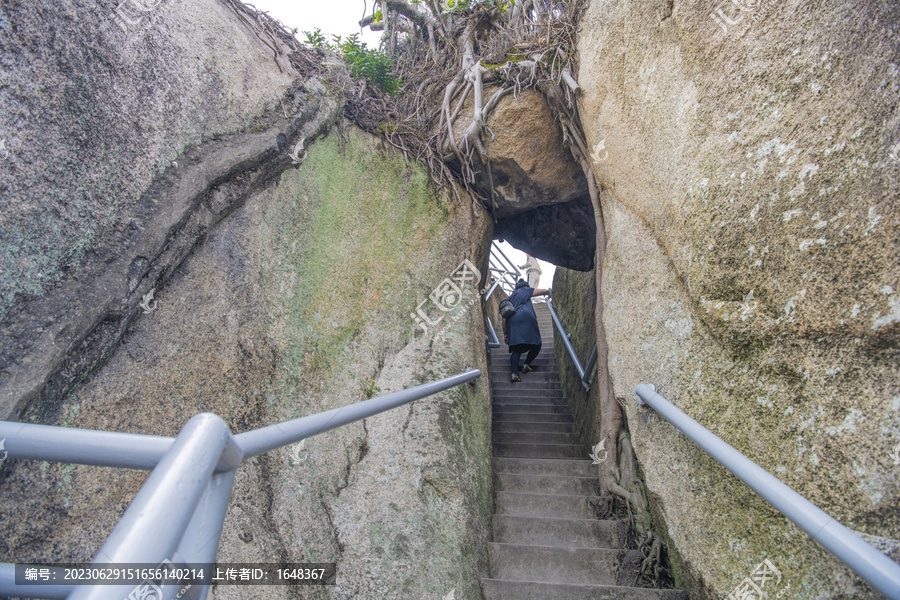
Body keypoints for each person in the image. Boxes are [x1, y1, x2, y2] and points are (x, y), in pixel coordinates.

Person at [502, 279, 550, 382]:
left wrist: (505, 334)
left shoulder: (510, 298)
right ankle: (526, 364)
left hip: (512, 323)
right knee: (537, 343)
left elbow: (504, 318)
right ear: (526, 287)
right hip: (526, 320)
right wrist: (549, 291)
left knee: (517, 349)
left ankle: (514, 374)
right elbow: (542, 291)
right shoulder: (525, 290)